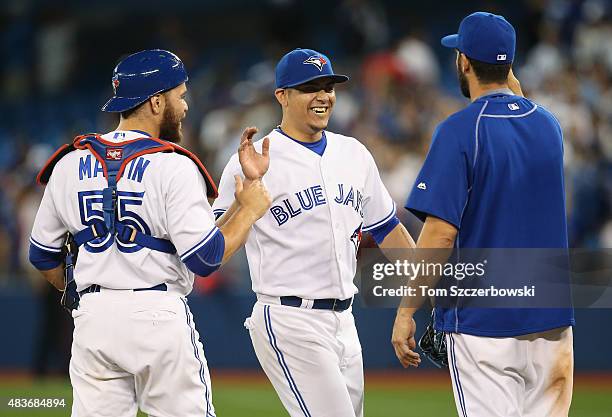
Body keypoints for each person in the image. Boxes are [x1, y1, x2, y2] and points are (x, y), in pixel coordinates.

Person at [28, 49, 271, 417]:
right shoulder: (173, 165)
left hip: (93, 320)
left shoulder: (68, 163)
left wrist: (96, 289)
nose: (186, 106)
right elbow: (205, 258)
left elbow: (42, 256)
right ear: (157, 102)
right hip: (157, 318)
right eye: (181, 95)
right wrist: (251, 210)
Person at [212, 48, 417, 417]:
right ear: (282, 96)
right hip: (290, 318)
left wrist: (427, 288)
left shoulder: (353, 153)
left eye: (329, 86)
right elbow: (212, 249)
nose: (323, 96)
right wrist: (245, 202)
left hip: (345, 320)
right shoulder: (251, 160)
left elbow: (388, 229)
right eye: (310, 87)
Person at [391, 12, 575, 417]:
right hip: (552, 324)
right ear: (509, 66)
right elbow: (521, 110)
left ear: (462, 62)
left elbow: (439, 235)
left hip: (484, 324)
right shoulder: (549, 126)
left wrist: (407, 310)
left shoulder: (459, 130)